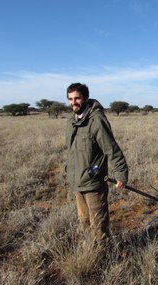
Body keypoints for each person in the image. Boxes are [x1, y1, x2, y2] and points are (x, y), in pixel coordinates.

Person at [65, 82, 128, 241]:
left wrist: (121, 173)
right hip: (77, 182)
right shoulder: (71, 121)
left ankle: (104, 258)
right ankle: (90, 254)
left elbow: (111, 149)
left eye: (77, 98)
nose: (74, 102)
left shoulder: (96, 120)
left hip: (93, 182)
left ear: (85, 98)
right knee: (84, 221)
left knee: (99, 225)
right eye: (70, 99)